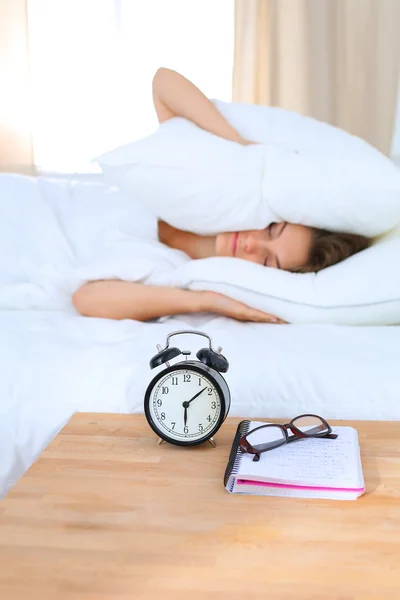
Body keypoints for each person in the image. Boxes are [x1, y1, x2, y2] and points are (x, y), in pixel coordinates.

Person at [73, 68, 371, 324]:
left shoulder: (183, 274)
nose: (252, 244)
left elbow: (87, 299)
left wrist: (204, 301)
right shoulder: (200, 189)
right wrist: (239, 144)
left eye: (268, 262)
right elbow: (163, 82)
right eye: (271, 227)